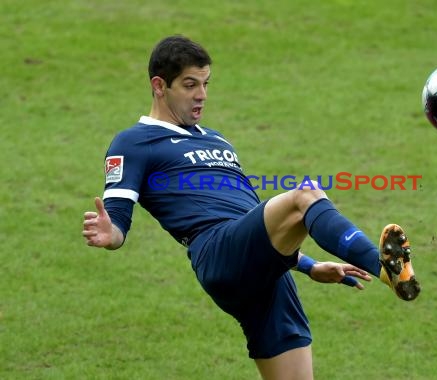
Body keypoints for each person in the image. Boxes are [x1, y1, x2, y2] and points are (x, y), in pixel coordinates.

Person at [82, 35, 420, 380]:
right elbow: (118, 216)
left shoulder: (216, 139)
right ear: (159, 86)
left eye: (205, 83)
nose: (201, 94)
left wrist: (307, 265)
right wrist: (112, 234)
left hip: (262, 268)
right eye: (189, 85)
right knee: (306, 195)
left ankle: (385, 271)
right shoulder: (134, 141)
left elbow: (253, 221)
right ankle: (384, 269)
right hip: (217, 251)